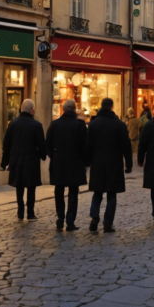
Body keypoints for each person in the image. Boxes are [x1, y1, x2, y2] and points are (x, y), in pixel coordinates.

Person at [84, 98, 132, 233]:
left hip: (97, 163)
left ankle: (94, 218)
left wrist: (87, 161)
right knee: (111, 194)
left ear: (101, 106)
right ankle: (107, 222)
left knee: (97, 193)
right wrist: (128, 164)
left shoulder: (93, 125)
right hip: (114, 164)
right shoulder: (119, 125)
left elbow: (88, 145)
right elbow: (126, 147)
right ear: (112, 107)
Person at [46, 99, 88, 232]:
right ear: (75, 110)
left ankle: (60, 218)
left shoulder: (54, 124)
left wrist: (54, 156)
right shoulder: (80, 126)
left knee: (59, 190)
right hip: (75, 162)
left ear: (63, 110)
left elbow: (48, 144)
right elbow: (85, 146)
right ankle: (70, 221)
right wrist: (85, 161)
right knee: (73, 192)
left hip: (59, 162)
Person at [1, 99, 46, 220]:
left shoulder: (13, 124)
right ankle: (30, 212)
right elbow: (41, 144)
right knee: (31, 188)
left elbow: (6, 144)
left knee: (19, 186)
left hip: (17, 159)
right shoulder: (36, 125)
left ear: (21, 108)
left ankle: (20, 210)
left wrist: (4, 162)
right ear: (32, 110)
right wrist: (43, 155)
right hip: (31, 160)